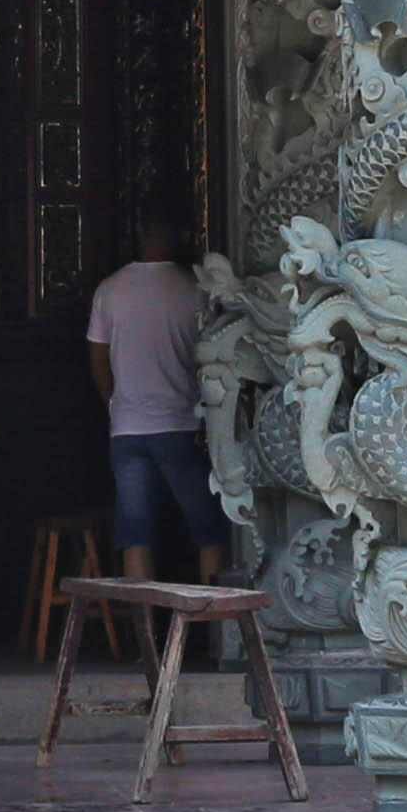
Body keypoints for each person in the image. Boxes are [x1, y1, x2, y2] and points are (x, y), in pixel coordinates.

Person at [80, 219, 229, 588]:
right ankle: (217, 617)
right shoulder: (194, 288)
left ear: (141, 234)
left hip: (128, 430)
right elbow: (218, 353)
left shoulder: (110, 289)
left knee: (136, 536)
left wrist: (114, 405)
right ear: (184, 235)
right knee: (209, 530)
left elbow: (98, 360)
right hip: (182, 424)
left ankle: (143, 623)